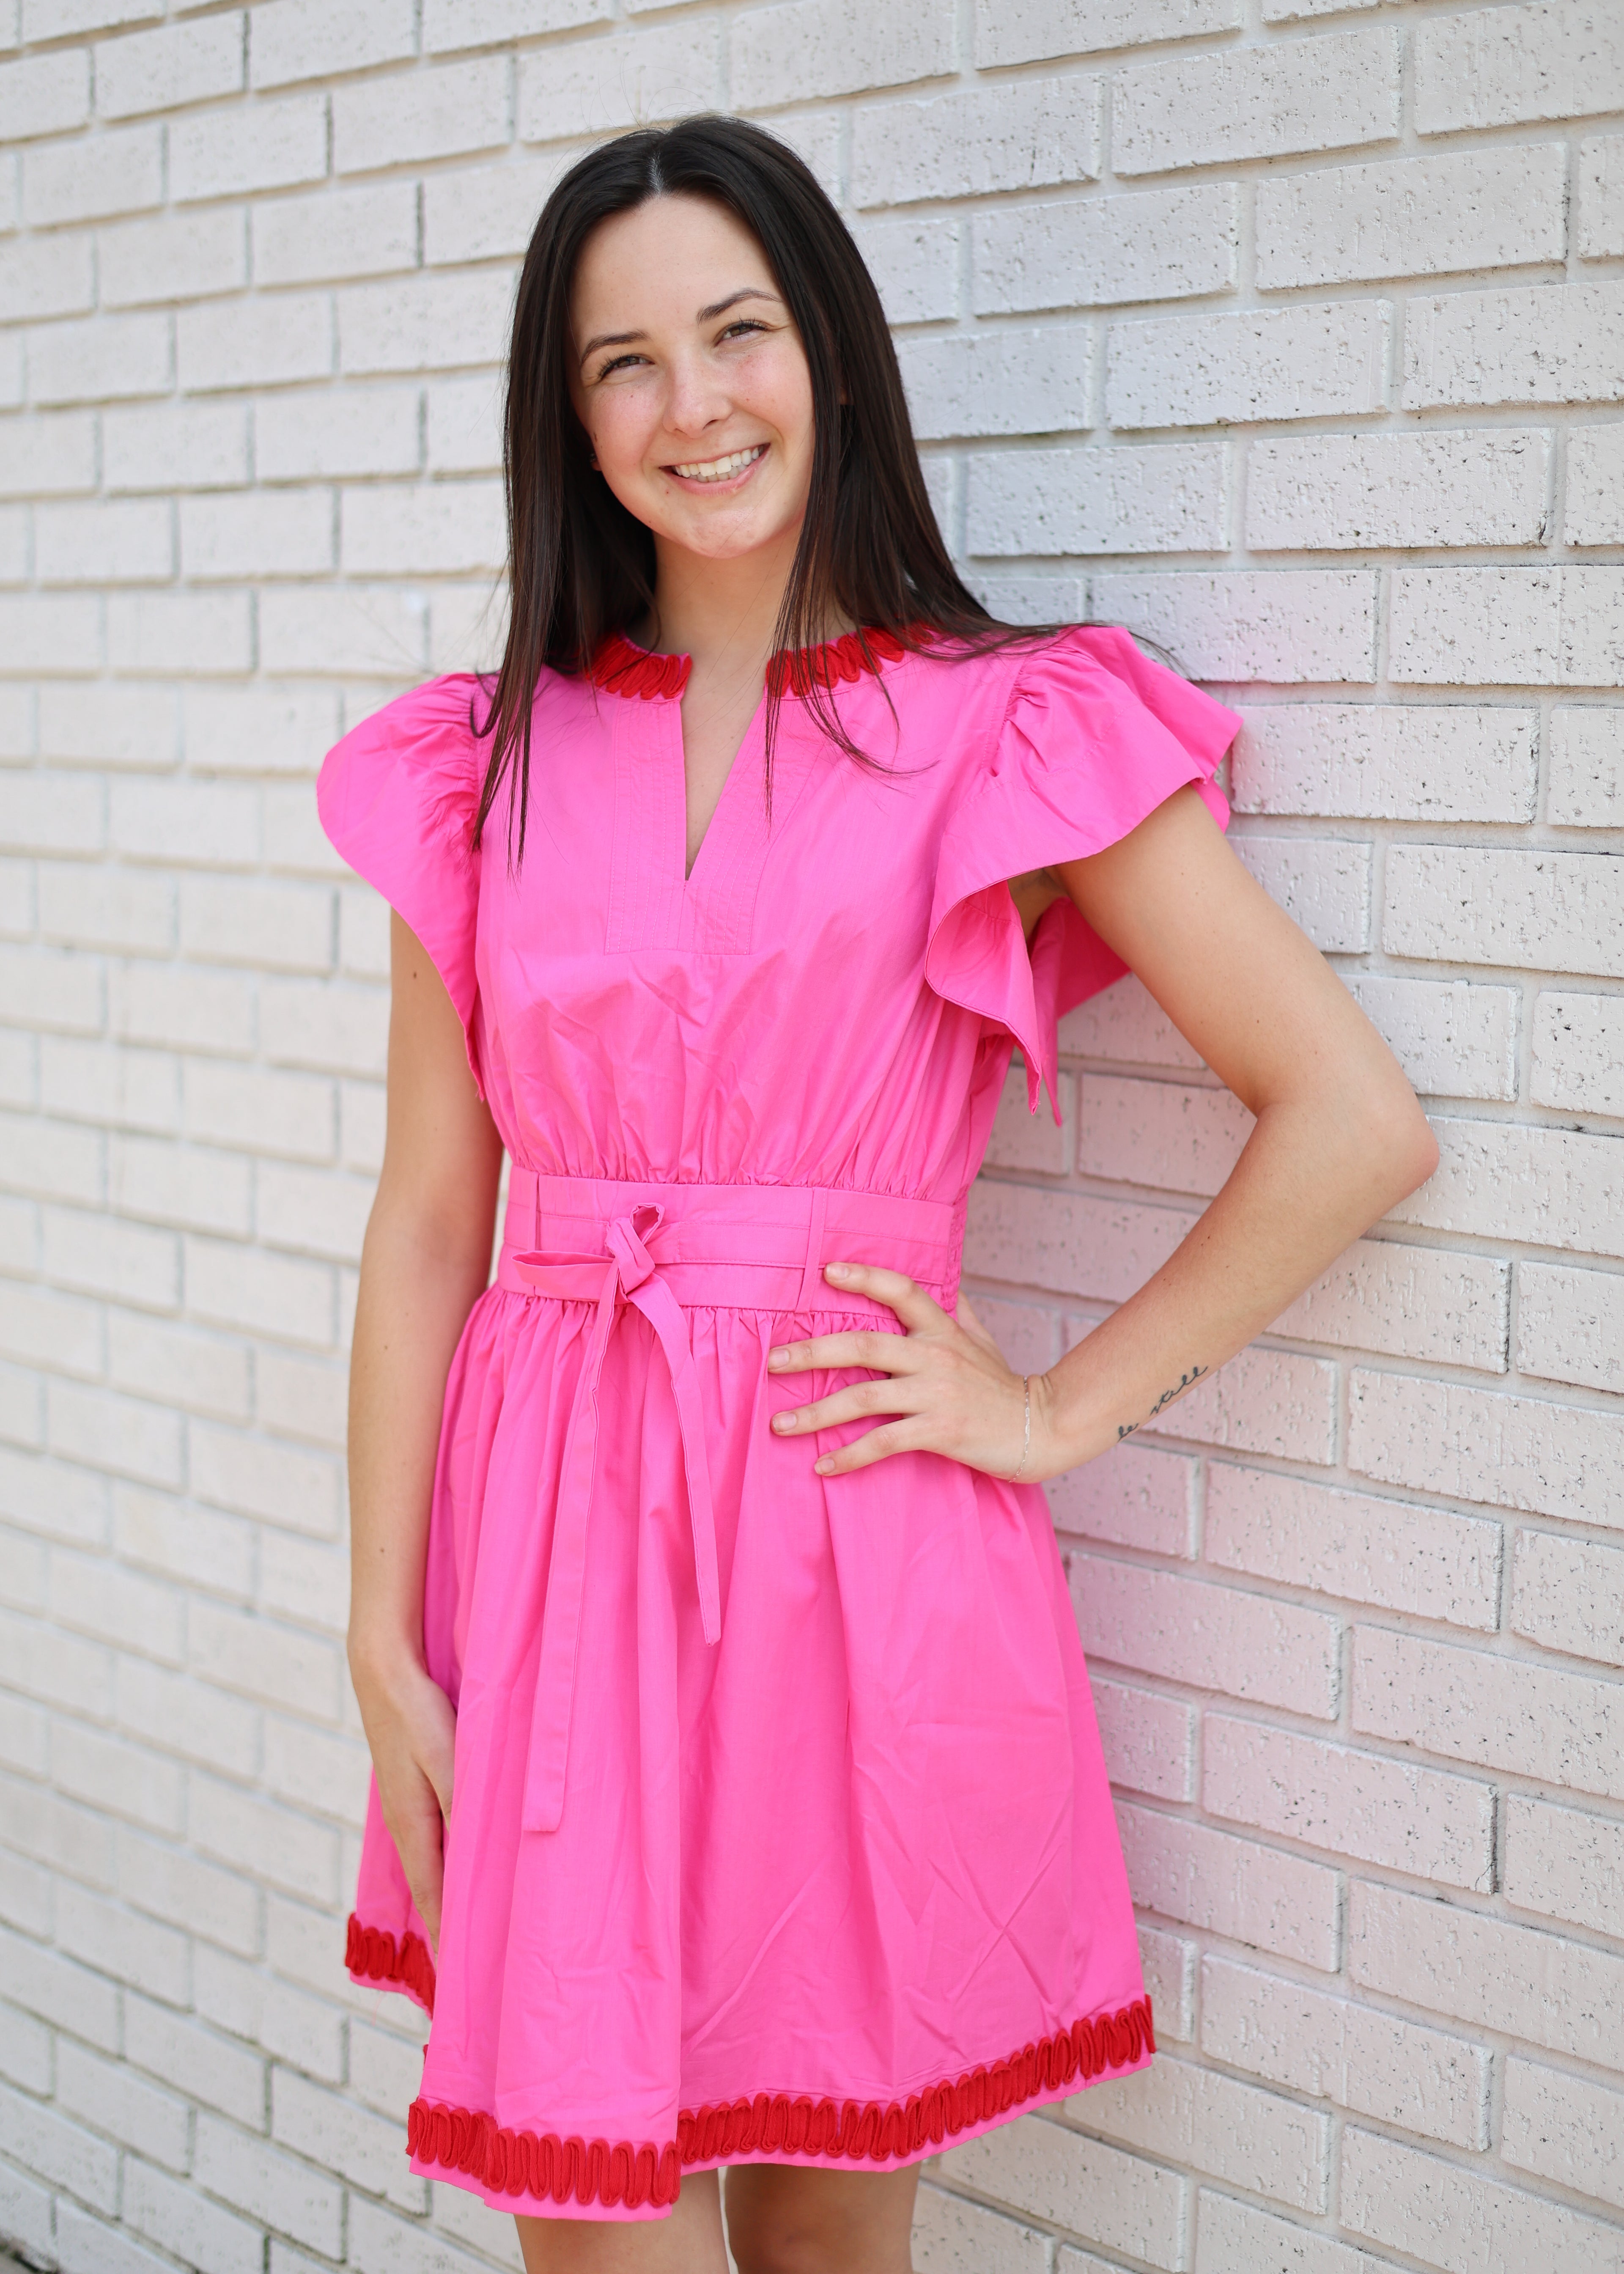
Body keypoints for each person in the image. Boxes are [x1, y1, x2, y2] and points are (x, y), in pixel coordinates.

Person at [316, 115, 1438, 2274]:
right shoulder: (494, 759)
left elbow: (1348, 1119)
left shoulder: (1001, 728)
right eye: (619, 362)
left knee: (835, 2246)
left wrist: (1051, 1410)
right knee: (597, 2221)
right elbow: (427, 1226)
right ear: (569, 417)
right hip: (549, 1551)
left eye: (736, 331)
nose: (690, 404)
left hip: (856, 1538)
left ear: (826, 347)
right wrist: (380, 1629)